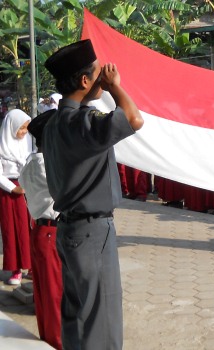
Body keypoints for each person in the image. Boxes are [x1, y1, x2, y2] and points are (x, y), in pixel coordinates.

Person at [43, 39, 144, 349]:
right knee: (102, 324)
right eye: (98, 72)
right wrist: (114, 87)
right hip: (92, 232)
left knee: (77, 319)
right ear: (85, 80)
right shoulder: (82, 123)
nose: (104, 75)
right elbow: (134, 119)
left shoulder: (51, 123)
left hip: (69, 230)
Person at [19, 111, 62, 350]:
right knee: (55, 292)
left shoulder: (31, 163)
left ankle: (48, 337)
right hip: (51, 233)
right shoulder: (47, 165)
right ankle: (58, 342)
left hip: (40, 231)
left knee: (44, 292)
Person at [0, 109, 32, 286]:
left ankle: (32, 266)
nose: (24, 132)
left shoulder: (26, 143)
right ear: (11, 127)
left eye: (26, 128)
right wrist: (14, 189)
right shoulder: (1, 146)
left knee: (31, 228)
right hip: (10, 193)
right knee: (12, 230)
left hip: (28, 189)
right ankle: (16, 269)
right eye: (21, 128)